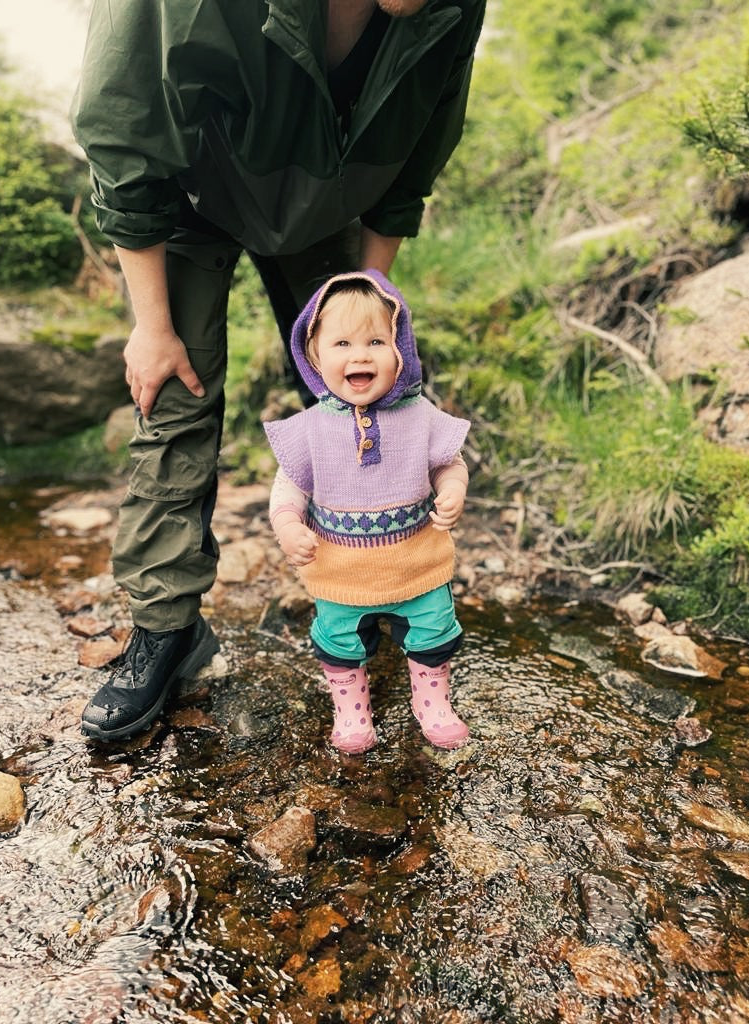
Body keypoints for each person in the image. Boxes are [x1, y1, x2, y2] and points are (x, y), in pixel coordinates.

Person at [71, 0, 486, 741]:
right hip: (186, 200)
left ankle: (387, 587)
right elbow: (121, 121)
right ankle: (167, 633)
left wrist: (369, 310)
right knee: (175, 399)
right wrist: (153, 327)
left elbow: (417, 148)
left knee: (373, 400)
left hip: (325, 205)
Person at [265, 270, 470, 752]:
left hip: (418, 564)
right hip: (340, 572)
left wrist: (453, 489)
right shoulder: (310, 428)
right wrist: (287, 524)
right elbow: (288, 489)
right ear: (313, 356)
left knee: (434, 632)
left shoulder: (420, 415)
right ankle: (352, 710)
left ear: (401, 350)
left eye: (376, 340)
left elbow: (449, 463)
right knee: (338, 643)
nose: (359, 355)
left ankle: (432, 700)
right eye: (341, 343)